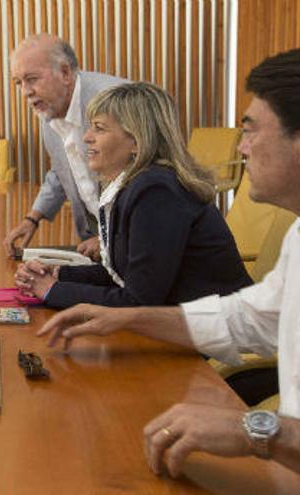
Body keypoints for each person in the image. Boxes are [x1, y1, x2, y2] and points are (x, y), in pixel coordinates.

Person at [37, 49, 300, 478]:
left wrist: (255, 431)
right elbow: (246, 318)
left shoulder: (155, 188)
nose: (242, 148)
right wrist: (126, 318)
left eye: (250, 132)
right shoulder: (298, 236)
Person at [15, 82, 251, 308]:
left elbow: (138, 301)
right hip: (185, 325)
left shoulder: (156, 191)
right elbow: (128, 276)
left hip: (218, 338)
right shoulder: (138, 184)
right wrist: (60, 274)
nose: (87, 137)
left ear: (137, 141)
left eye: (99, 128)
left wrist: (52, 290)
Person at [3, 34, 128, 260]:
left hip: (137, 245)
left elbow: (148, 179)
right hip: (99, 247)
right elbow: (63, 169)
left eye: (32, 79)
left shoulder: (115, 101)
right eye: (18, 83)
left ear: (65, 73)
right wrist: (33, 218)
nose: (25, 92)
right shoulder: (50, 111)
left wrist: (110, 239)